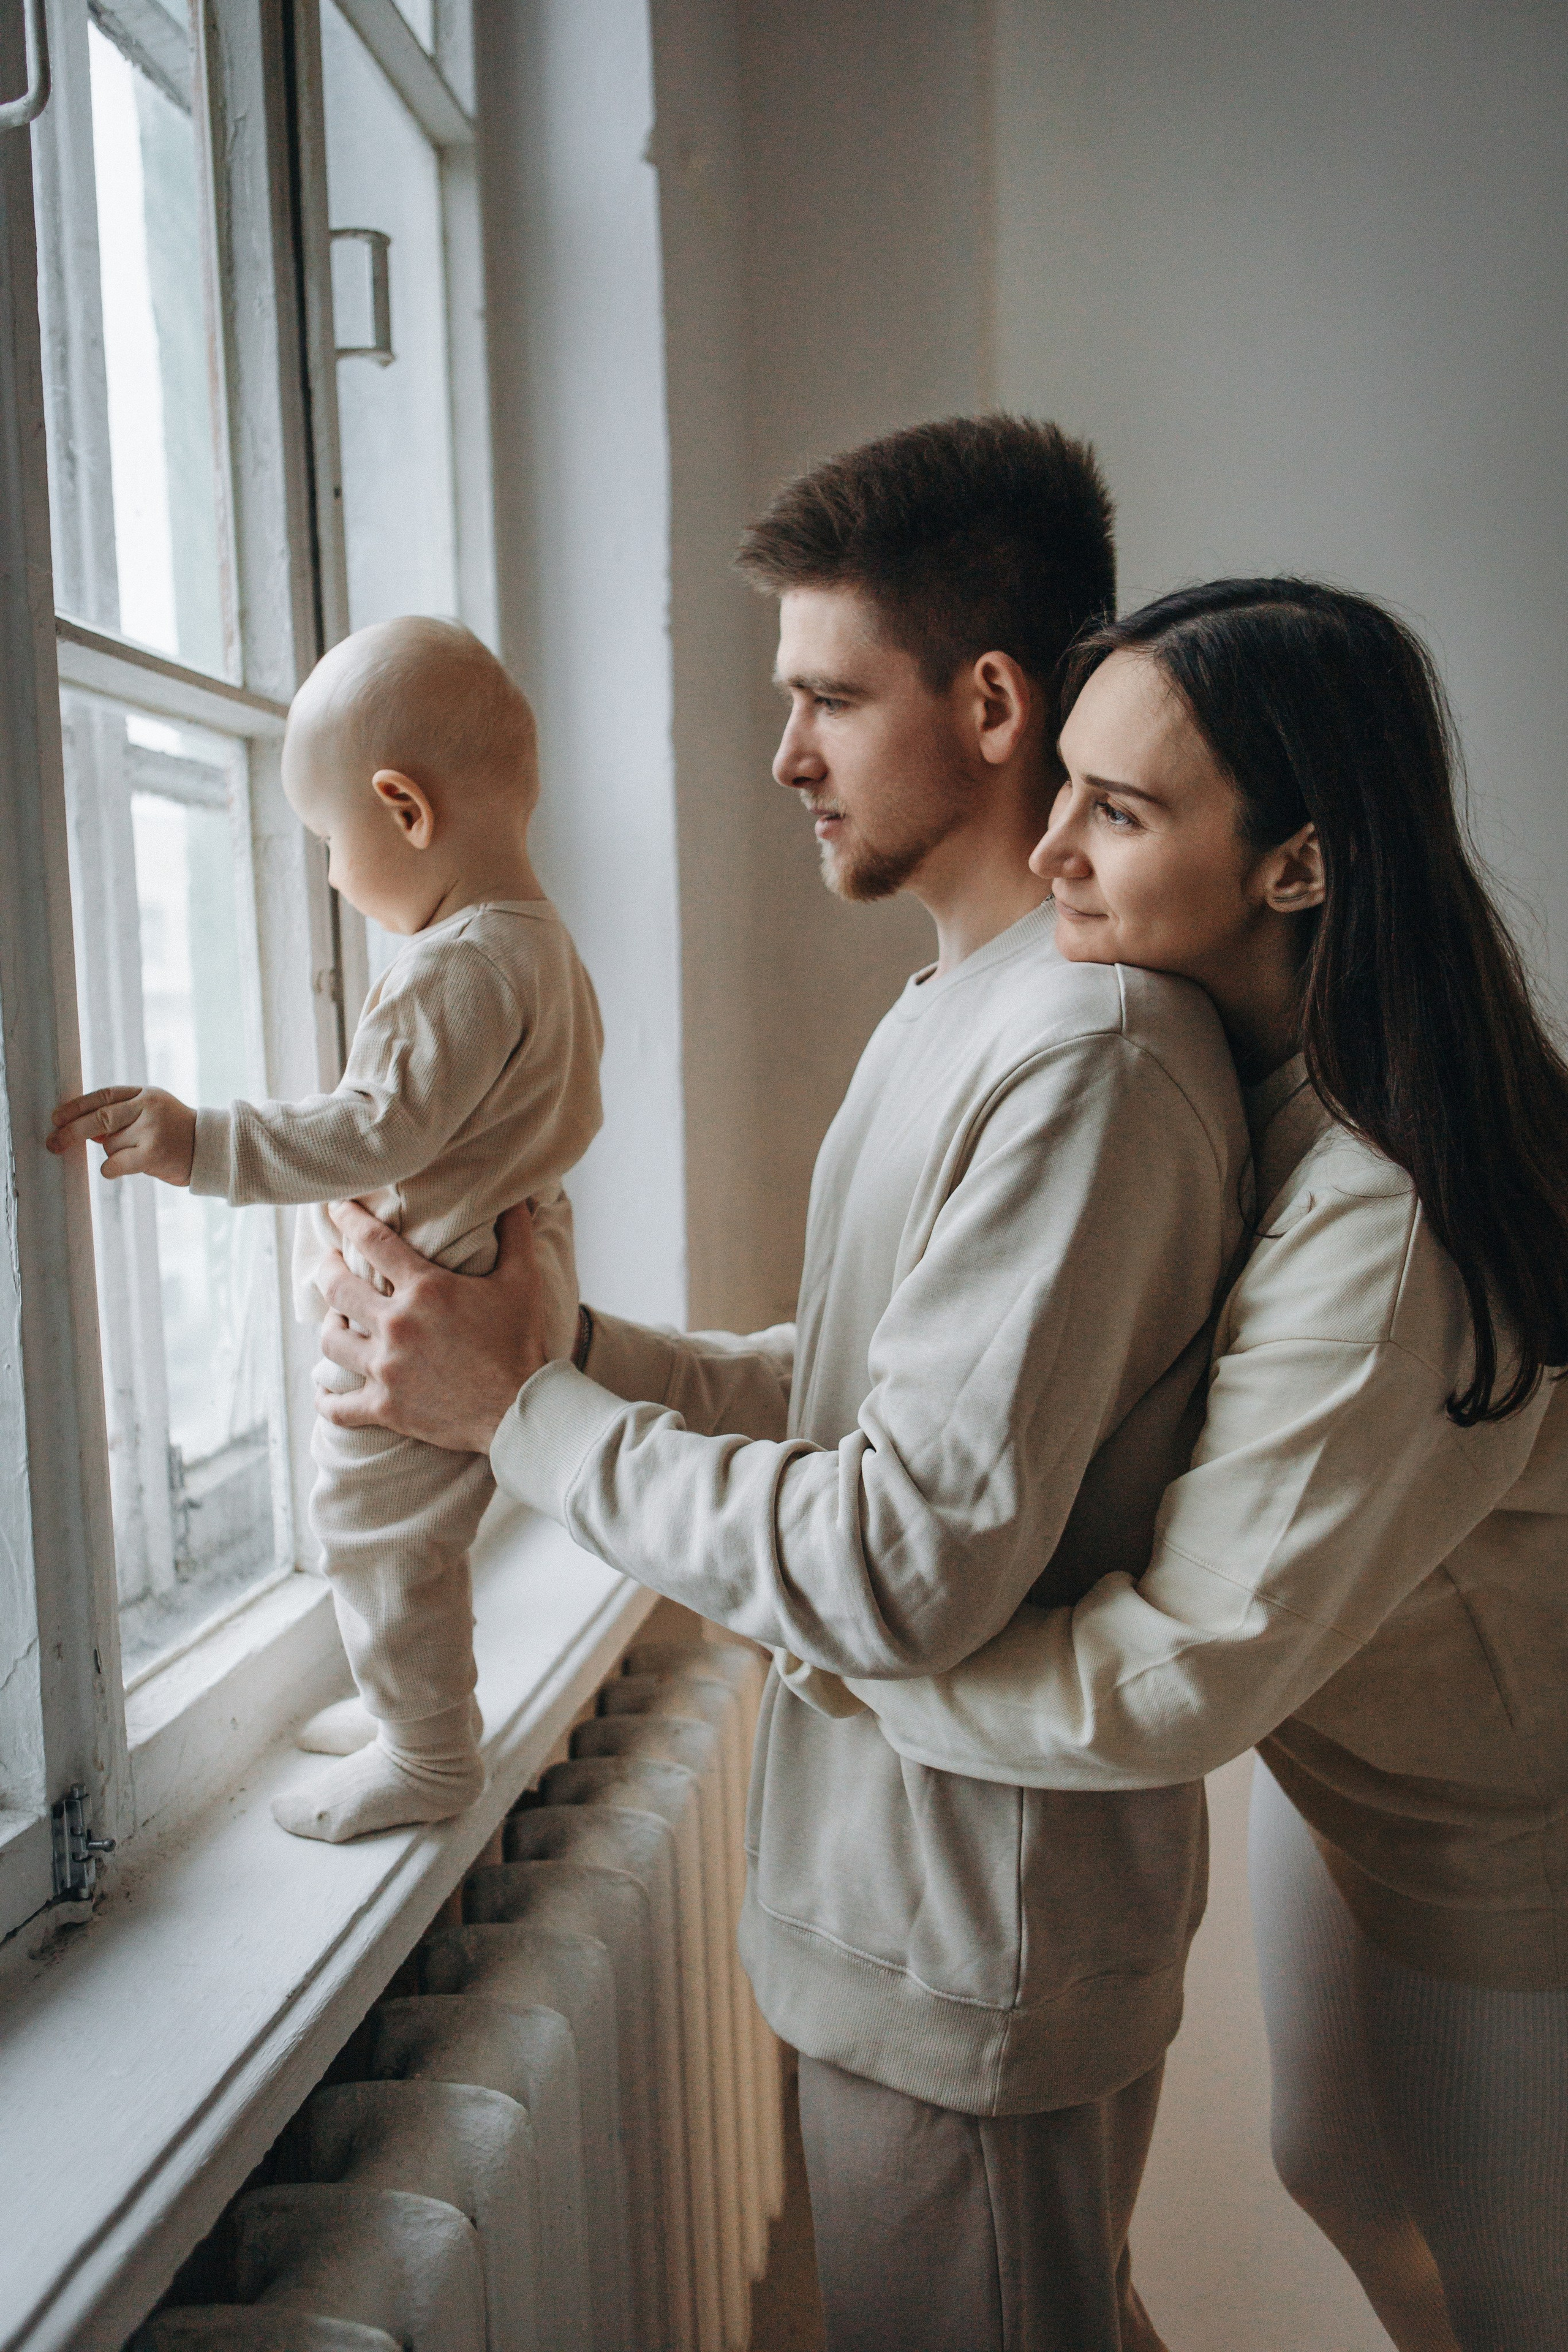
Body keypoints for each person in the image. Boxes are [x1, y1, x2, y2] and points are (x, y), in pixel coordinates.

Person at [309, 416, 1250, 2352]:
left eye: (828, 698)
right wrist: (556, 1353)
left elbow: (907, 1556)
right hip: (914, 1917)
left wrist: (524, 1420)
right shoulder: (963, 1006)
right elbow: (852, 1399)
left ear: (993, 703)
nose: (782, 758)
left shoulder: (1088, 1057)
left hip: (967, 1937)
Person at [805, 579, 1568, 2352]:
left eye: (1122, 813)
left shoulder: (1388, 1218)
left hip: (1513, 1839)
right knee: (1348, 2183)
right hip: (1364, 1761)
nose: (1050, 845)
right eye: (1063, 784)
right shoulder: (1215, 1065)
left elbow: (1177, 1677)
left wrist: (860, 1660)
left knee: (1518, 2287)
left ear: (1299, 865)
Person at [48, 617, 603, 1845]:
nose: (335, 877)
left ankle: (425, 1751)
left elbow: (370, 1131)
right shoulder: (543, 946)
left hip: (430, 1316)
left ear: (402, 810)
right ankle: (409, 1709)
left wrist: (205, 1143)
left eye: (328, 844)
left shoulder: (451, 965)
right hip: (515, 1270)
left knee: (376, 1525)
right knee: (419, 1537)